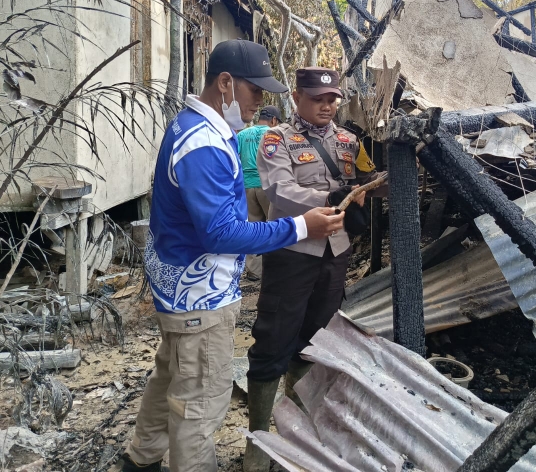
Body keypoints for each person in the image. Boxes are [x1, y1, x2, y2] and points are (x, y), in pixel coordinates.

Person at [120, 42, 344, 472]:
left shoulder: (191, 126)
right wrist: (300, 226)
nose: (260, 100)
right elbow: (221, 232)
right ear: (224, 83)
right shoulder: (203, 142)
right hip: (199, 298)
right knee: (201, 402)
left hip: (180, 285)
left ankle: (141, 458)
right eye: (253, 89)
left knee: (170, 376)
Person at [243, 66, 387, 471]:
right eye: (317, 98)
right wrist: (332, 194)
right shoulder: (277, 139)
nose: (326, 105)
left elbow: (368, 178)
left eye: (332, 99)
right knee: (273, 339)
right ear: (297, 97)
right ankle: (259, 437)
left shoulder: (348, 140)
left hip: (335, 253)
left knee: (315, 340)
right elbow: (279, 191)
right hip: (293, 252)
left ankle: (297, 428)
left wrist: (387, 173)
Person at [237, 105, 282, 281]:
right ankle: (274, 269)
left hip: (246, 188)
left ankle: (255, 271)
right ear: (274, 120)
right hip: (268, 187)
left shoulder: (241, 135)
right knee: (274, 227)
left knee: (253, 229)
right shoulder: (275, 134)